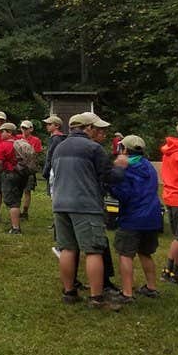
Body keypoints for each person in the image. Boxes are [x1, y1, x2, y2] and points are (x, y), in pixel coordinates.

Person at [51, 112, 126, 309]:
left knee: (67, 249)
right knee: (94, 250)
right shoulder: (94, 148)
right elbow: (110, 177)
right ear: (87, 128)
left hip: (60, 204)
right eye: (98, 128)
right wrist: (120, 166)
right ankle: (97, 298)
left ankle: (69, 292)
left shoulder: (59, 147)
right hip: (84, 205)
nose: (101, 132)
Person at [109, 135, 161, 301]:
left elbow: (124, 194)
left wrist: (111, 183)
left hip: (132, 217)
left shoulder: (125, 167)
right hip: (152, 216)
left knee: (125, 254)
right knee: (145, 252)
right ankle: (151, 287)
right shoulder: (149, 166)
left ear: (124, 149)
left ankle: (127, 293)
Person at [0, 123, 24, 234]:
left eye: (3, 131)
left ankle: (15, 228)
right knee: (17, 198)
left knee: (12, 202)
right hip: (21, 174)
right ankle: (15, 225)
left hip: (9, 174)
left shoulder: (4, 145)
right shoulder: (21, 143)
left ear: (9, 132)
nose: (1, 134)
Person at [160, 122, 178, 284]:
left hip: (170, 195)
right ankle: (174, 272)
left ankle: (169, 270)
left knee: (177, 237)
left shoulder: (170, 150)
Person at [18, 120, 43, 220]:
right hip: (19, 168)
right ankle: (17, 209)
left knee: (27, 191)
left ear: (31, 129)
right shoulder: (17, 138)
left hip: (29, 168)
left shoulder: (35, 140)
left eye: (26, 128)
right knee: (18, 190)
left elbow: (36, 154)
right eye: (22, 128)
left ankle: (25, 211)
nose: (24, 130)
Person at [41, 114, 67, 191]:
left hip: (54, 169)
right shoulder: (59, 138)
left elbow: (51, 155)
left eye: (49, 124)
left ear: (57, 126)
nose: (47, 126)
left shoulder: (56, 139)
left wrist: (46, 170)